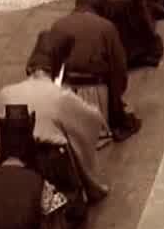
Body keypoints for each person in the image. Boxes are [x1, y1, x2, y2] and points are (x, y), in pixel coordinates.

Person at [0, 33, 114, 203]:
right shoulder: (59, 96)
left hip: (11, 164)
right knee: (68, 140)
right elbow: (93, 118)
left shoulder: (6, 92)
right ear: (57, 69)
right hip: (48, 167)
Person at [47, 7, 140, 140]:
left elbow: (52, 67)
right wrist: (116, 100)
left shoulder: (58, 25)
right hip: (96, 93)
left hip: (66, 93)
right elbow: (119, 68)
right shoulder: (106, 27)